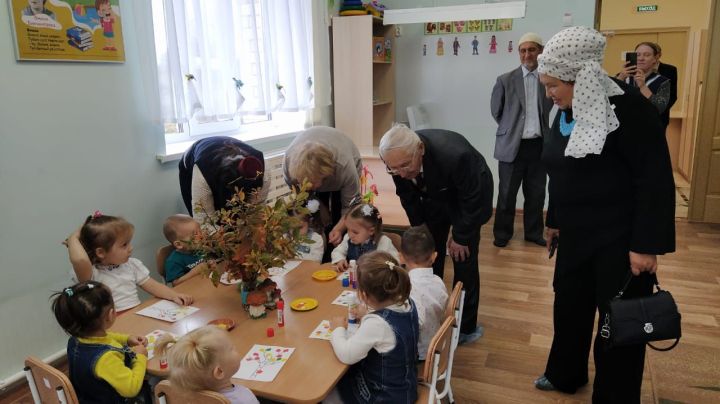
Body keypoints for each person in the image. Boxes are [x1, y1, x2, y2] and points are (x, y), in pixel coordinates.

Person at [534, 26, 675, 402]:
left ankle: (615, 395)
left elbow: (655, 181)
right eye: (546, 85)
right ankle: (565, 372)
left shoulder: (630, 109)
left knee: (619, 323)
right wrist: (553, 220)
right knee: (569, 308)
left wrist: (646, 246)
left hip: (621, 240)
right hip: (576, 236)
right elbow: (559, 169)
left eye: (553, 85)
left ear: (579, 76)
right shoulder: (560, 111)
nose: (548, 93)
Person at [379, 123, 493, 344]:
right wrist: (420, 229)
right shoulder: (395, 159)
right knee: (427, 254)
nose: (401, 173)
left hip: (468, 197)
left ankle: (466, 326)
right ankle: (430, 311)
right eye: (394, 169)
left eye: (405, 165)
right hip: (433, 194)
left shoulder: (457, 156)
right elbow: (407, 196)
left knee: (464, 258)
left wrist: (461, 236)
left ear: (420, 149)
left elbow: (472, 199)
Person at [326, 252, 418, 404]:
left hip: (384, 397)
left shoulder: (377, 324)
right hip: (405, 388)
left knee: (330, 389)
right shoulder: (407, 302)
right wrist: (368, 312)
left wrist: (338, 329)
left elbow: (347, 354)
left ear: (363, 295)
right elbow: (387, 321)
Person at [490, 32, 553, 248]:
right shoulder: (505, 80)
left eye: (532, 49)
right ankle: (502, 234)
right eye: (523, 50)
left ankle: (534, 233)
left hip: (539, 146)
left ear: (541, 51)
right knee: (507, 194)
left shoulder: (548, 78)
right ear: (519, 53)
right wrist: (512, 129)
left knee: (536, 194)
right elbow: (496, 111)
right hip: (512, 147)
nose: (527, 54)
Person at [65, 212, 193, 312]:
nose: (130, 248)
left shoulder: (131, 265)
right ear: (101, 253)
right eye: (124, 245)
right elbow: (80, 259)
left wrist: (173, 295)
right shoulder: (90, 274)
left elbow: (153, 285)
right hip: (110, 325)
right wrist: (73, 238)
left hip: (135, 315)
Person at [51, 281, 152, 403]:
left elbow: (105, 338)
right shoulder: (106, 359)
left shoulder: (75, 340)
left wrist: (127, 339)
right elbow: (131, 388)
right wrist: (140, 357)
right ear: (110, 315)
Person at [283, 127, 362, 251]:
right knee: (316, 216)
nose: (310, 186)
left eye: (313, 182)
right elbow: (301, 198)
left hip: (342, 161)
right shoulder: (289, 166)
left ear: (325, 175)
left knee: (338, 217)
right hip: (311, 172)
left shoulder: (344, 167)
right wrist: (318, 205)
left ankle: (339, 254)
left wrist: (338, 229)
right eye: (305, 182)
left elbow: (351, 205)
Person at [155, 325, 259, 404]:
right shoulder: (245, 399)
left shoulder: (183, 398)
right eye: (231, 348)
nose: (235, 348)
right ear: (219, 371)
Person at [179, 136, 266, 224]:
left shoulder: (263, 170)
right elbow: (203, 218)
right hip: (198, 161)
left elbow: (255, 210)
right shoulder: (204, 172)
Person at [400, 225, 448, 359]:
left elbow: (410, 325)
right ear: (434, 256)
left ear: (401, 258)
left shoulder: (406, 288)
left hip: (418, 353)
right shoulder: (438, 282)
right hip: (436, 344)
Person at [331, 202, 399, 271]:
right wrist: (340, 260)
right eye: (348, 229)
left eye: (355, 232)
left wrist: (382, 268)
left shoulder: (383, 242)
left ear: (371, 231)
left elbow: (396, 262)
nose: (350, 235)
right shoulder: (348, 238)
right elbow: (337, 252)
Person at [616, 42, 671, 117]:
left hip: (648, 125)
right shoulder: (622, 77)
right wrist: (620, 79)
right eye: (638, 55)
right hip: (622, 123)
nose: (641, 58)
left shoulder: (662, 81)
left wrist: (643, 86)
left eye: (647, 55)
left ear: (655, 59)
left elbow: (660, 108)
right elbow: (607, 100)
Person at [162, 214, 205, 285]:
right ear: (179, 244)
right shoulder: (173, 261)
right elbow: (176, 283)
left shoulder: (200, 248)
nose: (201, 236)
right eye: (195, 235)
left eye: (200, 231)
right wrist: (195, 271)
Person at [655, 43, 679, 129]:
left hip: (661, 116)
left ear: (659, 55)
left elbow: (673, 95)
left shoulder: (670, 70)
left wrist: (661, 109)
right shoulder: (636, 70)